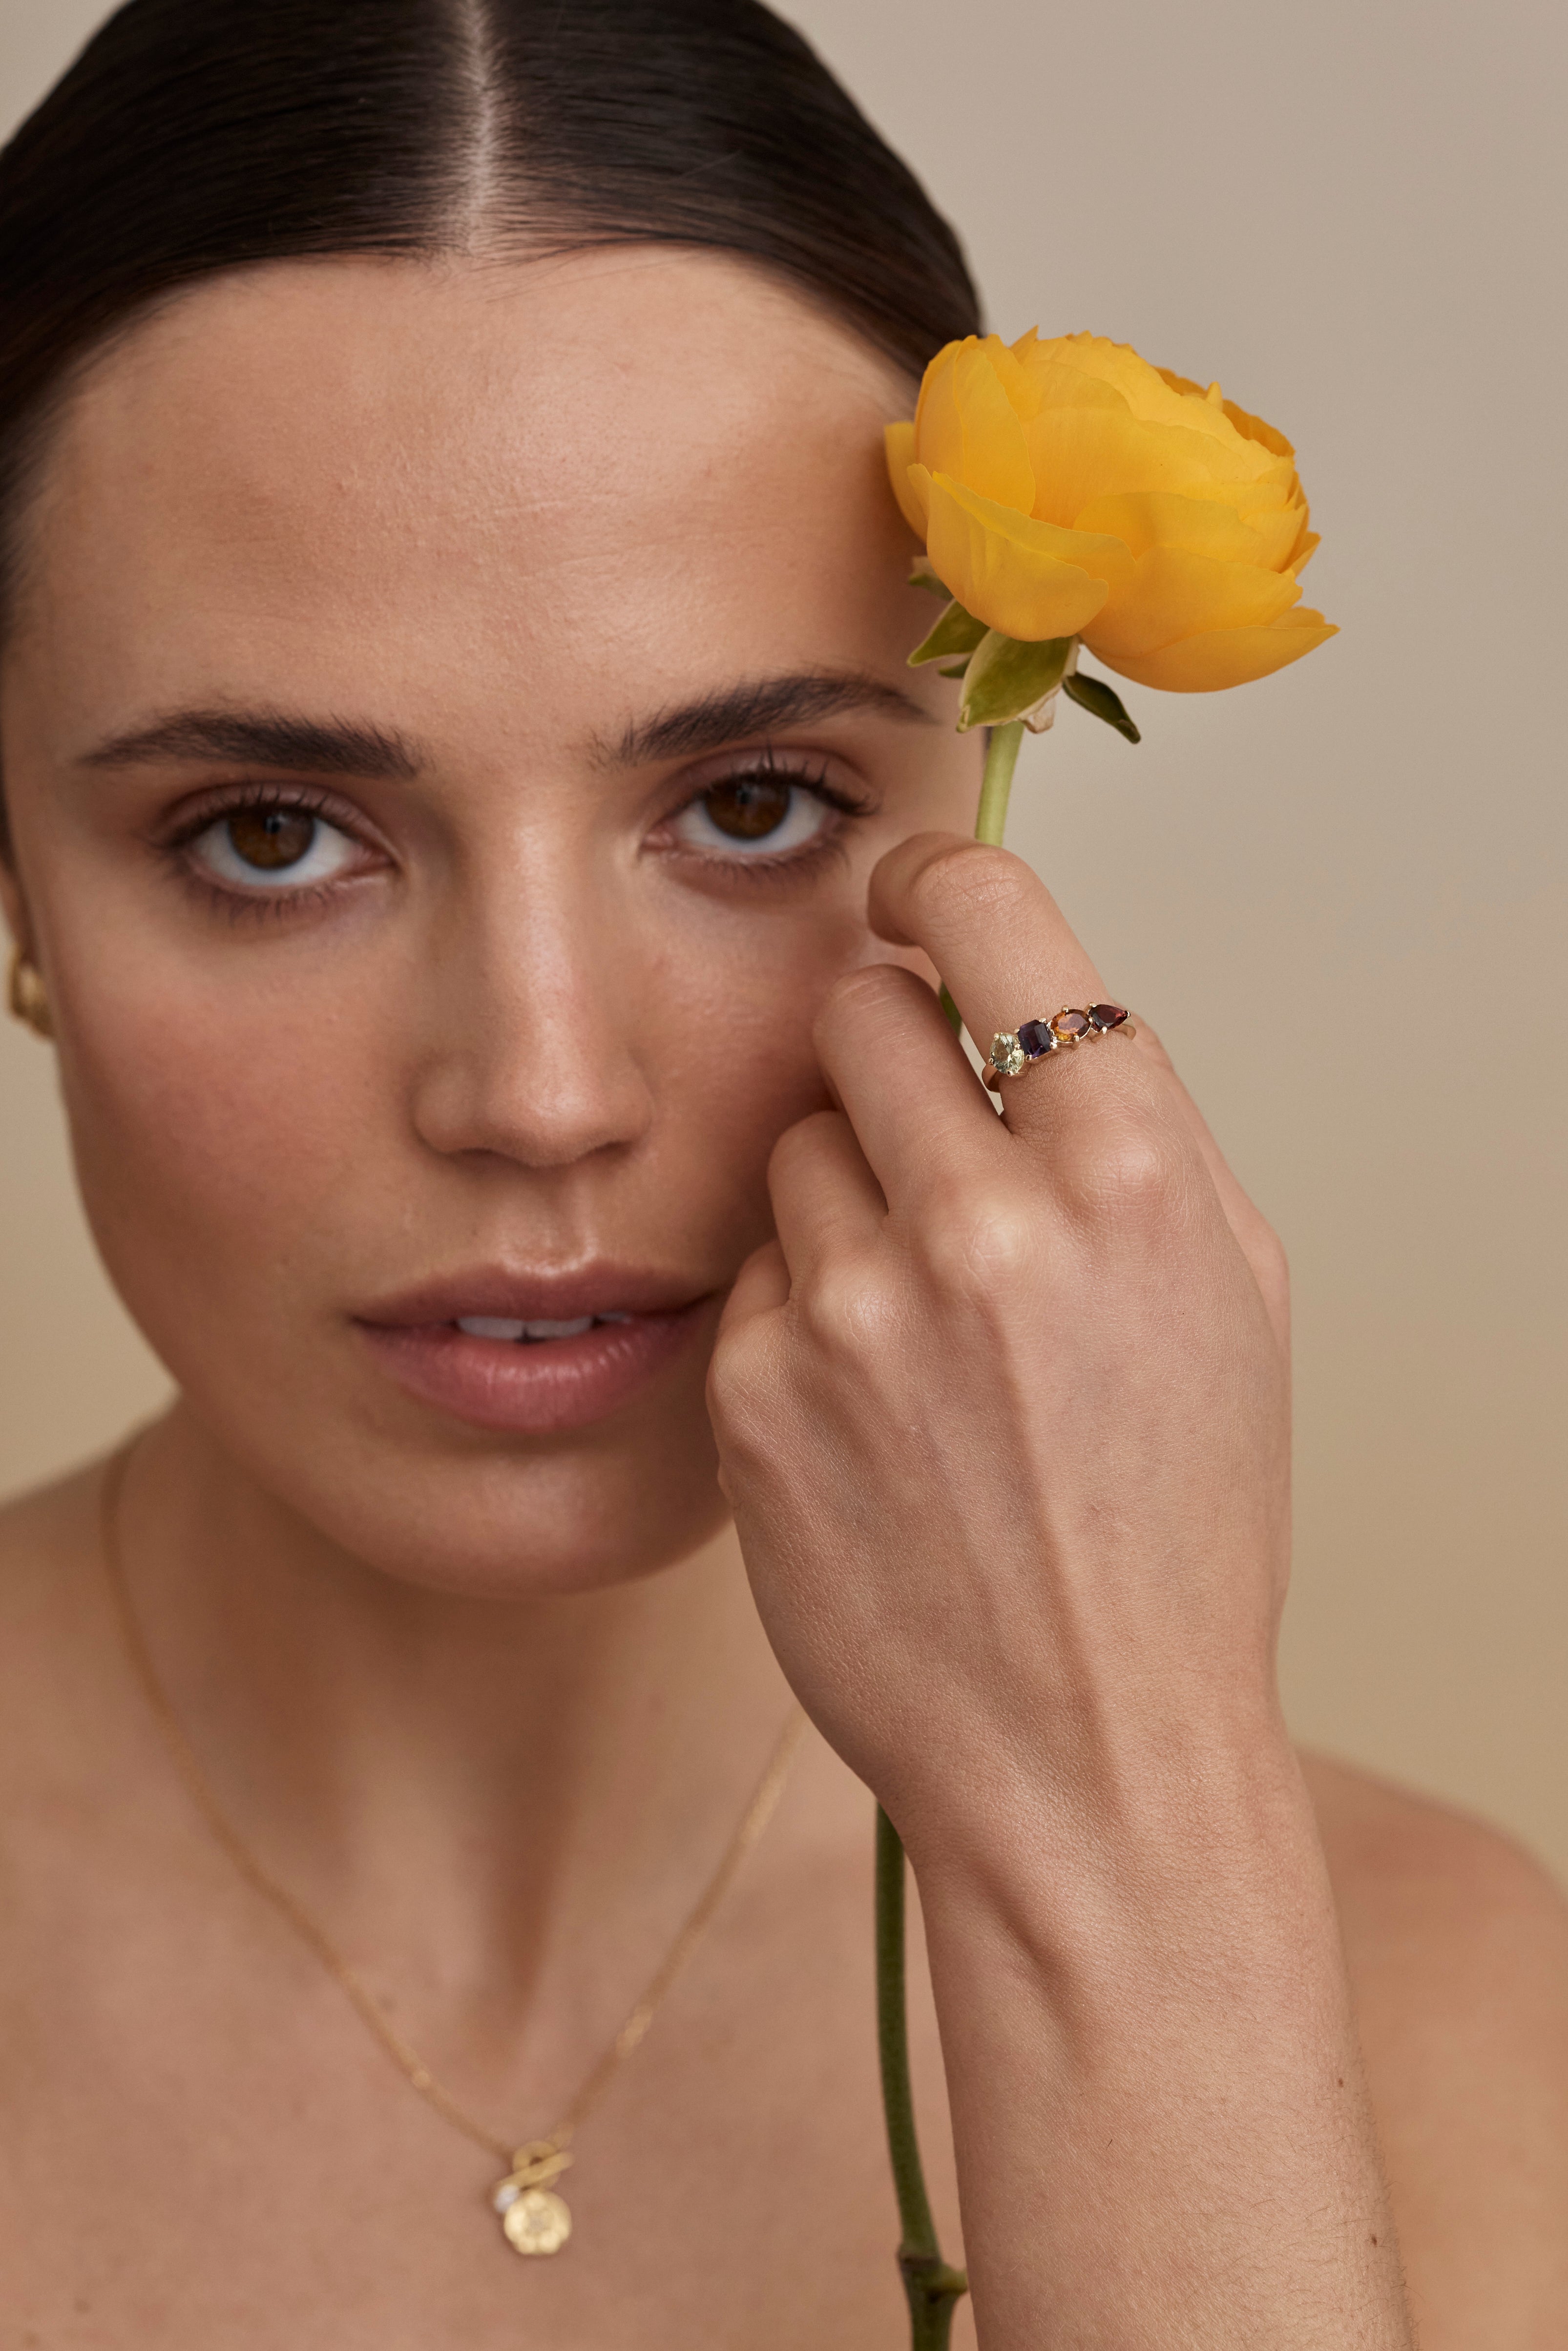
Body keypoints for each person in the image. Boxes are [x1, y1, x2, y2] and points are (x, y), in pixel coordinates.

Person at [0, 1, 1564, 2342]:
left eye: (746, 806)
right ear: (17, 879)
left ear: (978, 786)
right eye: (270, 835)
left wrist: (1119, 1893)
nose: (541, 1089)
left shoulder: (1444, 2013)